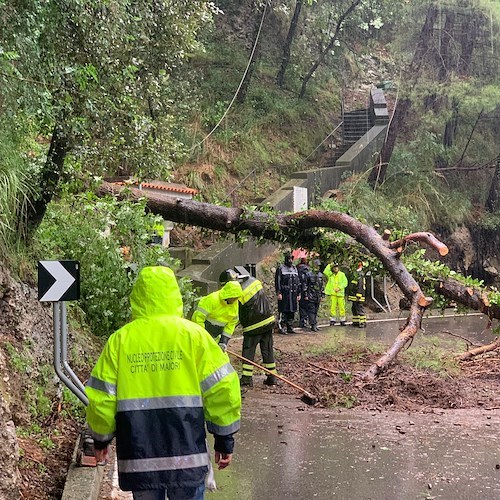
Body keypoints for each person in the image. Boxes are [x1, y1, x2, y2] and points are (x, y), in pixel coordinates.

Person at [85, 266, 241, 499]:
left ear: (137, 297)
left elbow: (101, 399)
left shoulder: (120, 341)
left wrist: (100, 439)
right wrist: (224, 439)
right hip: (187, 455)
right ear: (174, 295)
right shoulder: (194, 337)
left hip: (140, 459)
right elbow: (223, 388)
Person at [220, 267, 277, 387]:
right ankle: (272, 377)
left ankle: (246, 378)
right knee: (267, 349)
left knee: (248, 350)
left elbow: (235, 311)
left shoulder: (236, 290)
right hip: (268, 320)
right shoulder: (252, 280)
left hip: (253, 325)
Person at [191, 280, 243, 351]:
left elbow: (231, 323)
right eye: (234, 297)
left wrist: (223, 341)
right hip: (200, 336)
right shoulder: (212, 299)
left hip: (216, 338)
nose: (235, 300)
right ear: (228, 294)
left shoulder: (234, 305)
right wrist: (203, 337)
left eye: (237, 298)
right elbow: (198, 318)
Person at [275, 250, 301, 334]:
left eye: (291, 259)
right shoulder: (281, 268)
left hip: (293, 292)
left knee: (292, 311)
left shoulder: (294, 268)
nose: (290, 260)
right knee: (283, 310)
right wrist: (279, 292)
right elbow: (278, 281)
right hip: (285, 293)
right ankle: (281, 327)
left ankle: (290, 327)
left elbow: (298, 281)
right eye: (289, 259)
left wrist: (298, 293)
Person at [301, 259, 325, 332]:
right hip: (310, 295)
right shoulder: (308, 274)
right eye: (316, 266)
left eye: (318, 266)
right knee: (311, 311)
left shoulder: (321, 275)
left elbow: (322, 286)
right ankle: (313, 324)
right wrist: (306, 295)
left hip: (317, 296)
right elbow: (305, 285)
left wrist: (322, 295)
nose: (317, 267)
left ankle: (314, 324)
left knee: (315, 311)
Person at [323, 261, 348, 326]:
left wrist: (339, 288)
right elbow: (325, 271)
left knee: (342, 307)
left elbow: (345, 283)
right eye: (334, 268)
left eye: (336, 267)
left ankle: (342, 320)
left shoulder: (342, 274)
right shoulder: (331, 275)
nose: (335, 269)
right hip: (333, 294)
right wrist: (330, 264)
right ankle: (332, 320)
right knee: (332, 307)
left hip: (340, 294)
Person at [348, 261, 367, 327]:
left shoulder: (360, 274)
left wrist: (358, 294)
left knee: (359, 308)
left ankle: (363, 322)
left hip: (358, 295)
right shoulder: (356, 273)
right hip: (354, 295)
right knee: (354, 308)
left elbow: (360, 285)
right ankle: (356, 322)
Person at [297, 257, 311, 328]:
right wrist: (306, 292)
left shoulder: (297, 268)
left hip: (299, 289)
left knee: (302, 307)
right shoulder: (305, 270)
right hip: (305, 290)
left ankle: (302, 321)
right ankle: (304, 321)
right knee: (306, 306)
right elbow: (305, 281)